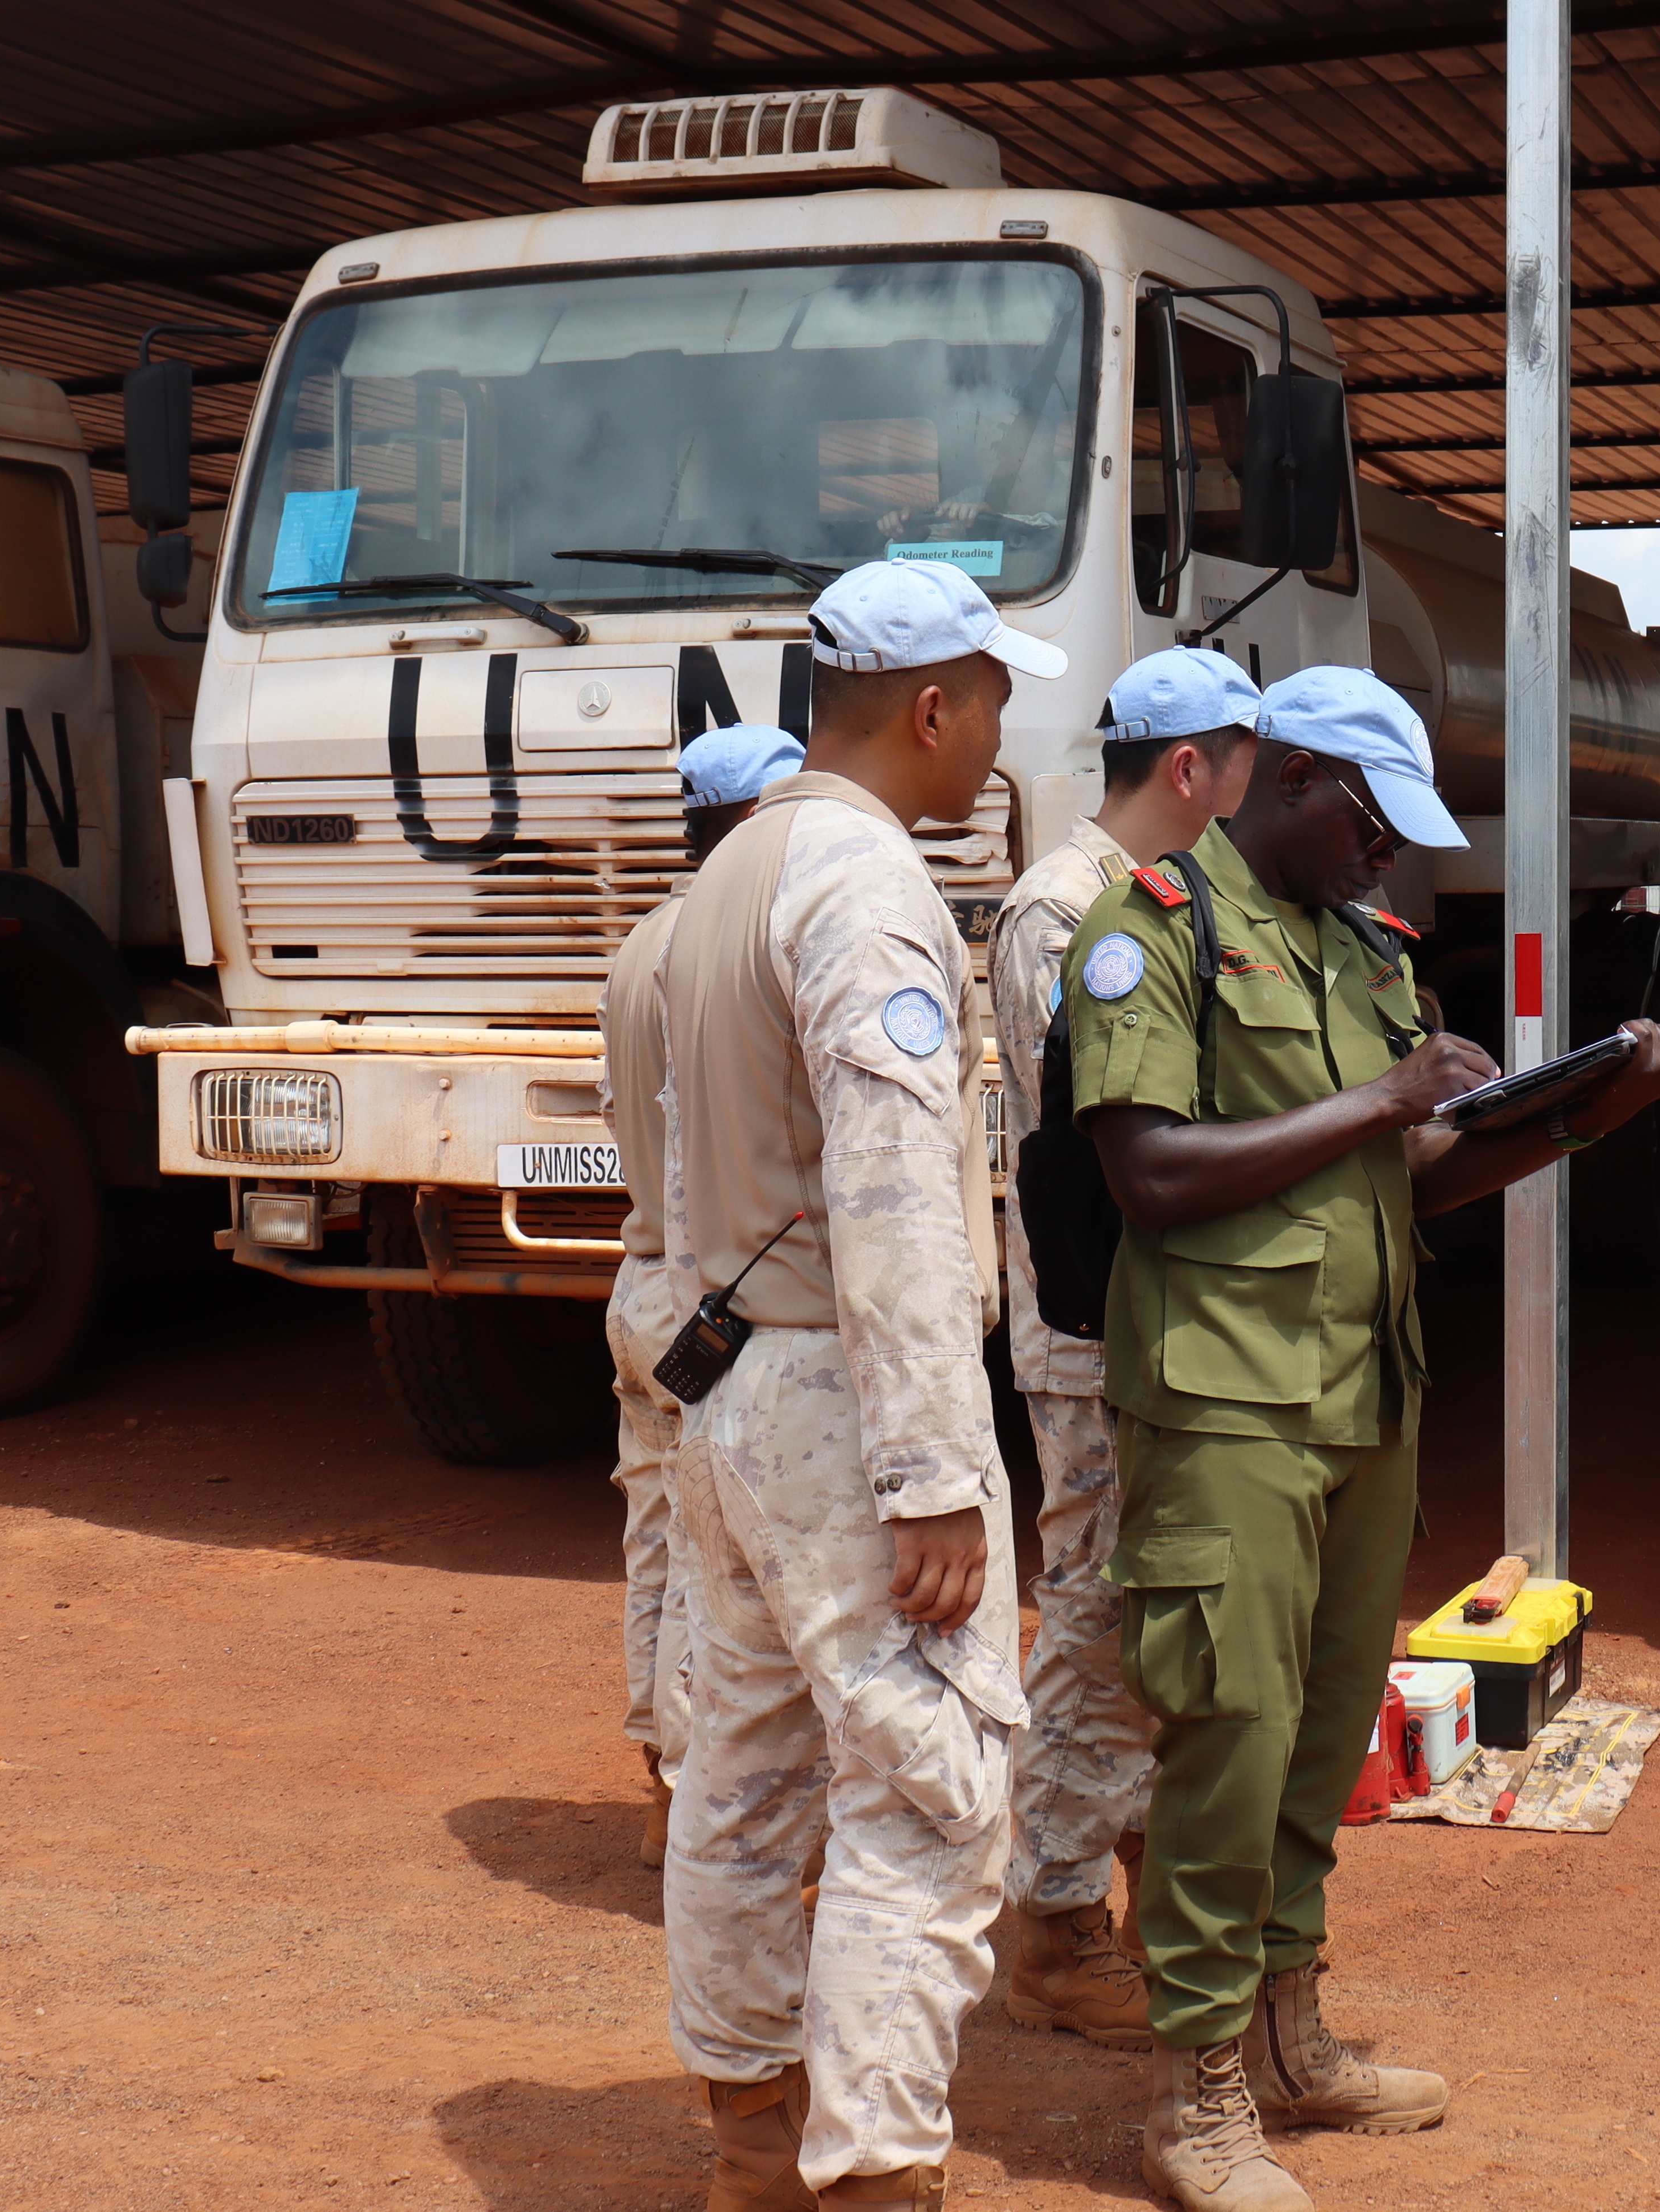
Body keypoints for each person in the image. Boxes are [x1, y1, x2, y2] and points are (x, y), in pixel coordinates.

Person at [1062, 666, 1660, 2212]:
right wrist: (1389, 1100)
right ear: (1287, 780)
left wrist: (1587, 1113)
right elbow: (1148, 1171)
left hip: (1361, 1398)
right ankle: (1195, 2092)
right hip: (1222, 1405)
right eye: (1371, 826)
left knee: (1318, 1734)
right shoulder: (1152, 931)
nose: (1389, 862)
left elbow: (1412, 1170)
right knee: (1225, 1735)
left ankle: (1290, 2031)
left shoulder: (1365, 950)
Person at [655, 559, 1071, 2208]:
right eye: (992, 696)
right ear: (930, 705)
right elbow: (895, 1195)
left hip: (732, 1392)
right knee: (931, 1795)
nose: (1001, 728)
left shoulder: (732, 871)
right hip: (846, 1403)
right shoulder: (866, 883)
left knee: (746, 1774)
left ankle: (753, 2139)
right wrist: (935, 1476)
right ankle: (877, 2176)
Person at [992, 648, 1263, 2048]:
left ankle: (1142, 1874)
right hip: (1091, 1323)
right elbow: (1107, 1130)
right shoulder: (1065, 911)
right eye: (1241, 760)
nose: (1247, 787)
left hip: (1151, 1317)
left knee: (1150, 1608)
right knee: (1096, 1614)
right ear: (1187, 768)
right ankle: (1047, 1915)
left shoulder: (1158, 894)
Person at [602, 722, 810, 1869]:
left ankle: (660, 1772)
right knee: (718, 1557)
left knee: (658, 1536)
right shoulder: (735, 952)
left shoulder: (642, 944)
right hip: (710, 1299)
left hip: (642, 1289)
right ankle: (699, 1799)